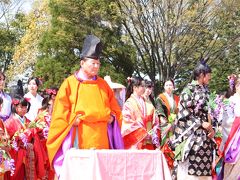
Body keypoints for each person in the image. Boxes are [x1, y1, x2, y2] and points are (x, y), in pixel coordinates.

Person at [46, 35, 122, 178]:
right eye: (93, 63)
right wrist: (71, 120)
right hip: (79, 136)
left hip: (102, 137)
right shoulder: (69, 83)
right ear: (82, 63)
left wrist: (113, 118)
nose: (96, 66)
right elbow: (59, 114)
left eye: (98, 64)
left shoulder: (103, 85)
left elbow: (116, 110)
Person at [171, 60, 215, 180]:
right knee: (190, 173)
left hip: (205, 138)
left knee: (205, 173)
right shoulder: (188, 91)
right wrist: (201, 123)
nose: (210, 78)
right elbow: (184, 113)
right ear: (201, 75)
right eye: (208, 75)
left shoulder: (207, 91)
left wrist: (212, 127)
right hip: (192, 137)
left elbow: (210, 111)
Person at [121, 77, 160, 150]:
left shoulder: (146, 101)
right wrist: (142, 132)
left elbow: (154, 118)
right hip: (136, 140)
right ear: (135, 87)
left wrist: (154, 130)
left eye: (144, 86)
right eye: (142, 86)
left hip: (148, 137)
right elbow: (127, 122)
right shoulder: (129, 103)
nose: (144, 88)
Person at [218, 74, 240, 179]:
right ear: (235, 87)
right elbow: (226, 121)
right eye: (239, 85)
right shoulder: (231, 100)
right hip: (235, 138)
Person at [155, 79, 179, 169]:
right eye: (167, 85)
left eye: (170, 85)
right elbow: (160, 112)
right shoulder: (160, 98)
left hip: (175, 125)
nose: (169, 87)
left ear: (173, 87)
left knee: (175, 148)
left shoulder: (177, 98)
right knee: (165, 146)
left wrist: (175, 121)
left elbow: (179, 111)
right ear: (164, 87)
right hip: (165, 126)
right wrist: (167, 124)